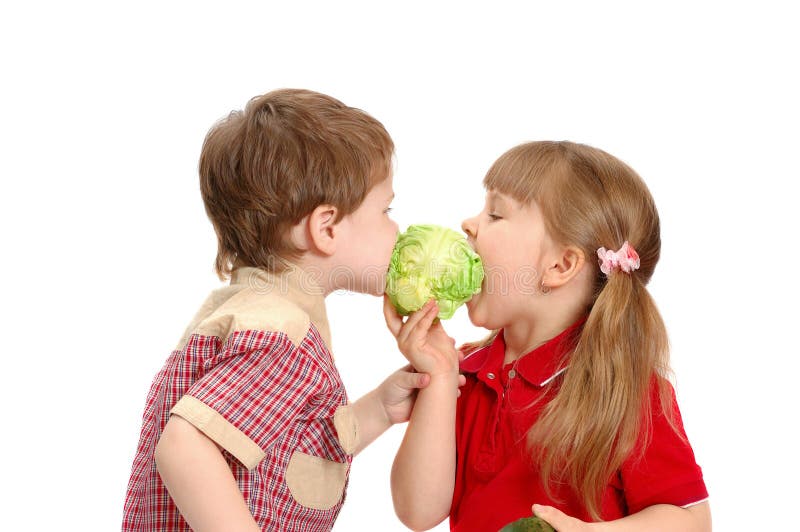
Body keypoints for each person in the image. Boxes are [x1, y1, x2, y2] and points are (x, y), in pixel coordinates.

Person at [123, 88, 435, 531]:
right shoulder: (278, 335)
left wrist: (379, 410)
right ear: (326, 228)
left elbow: (287, 443)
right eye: (386, 210)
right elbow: (183, 446)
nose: (397, 229)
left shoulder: (249, 312)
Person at [386, 141, 711, 531]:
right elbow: (417, 512)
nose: (468, 223)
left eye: (495, 214)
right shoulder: (464, 374)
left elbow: (691, 520)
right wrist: (439, 378)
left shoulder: (624, 390)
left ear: (560, 265)